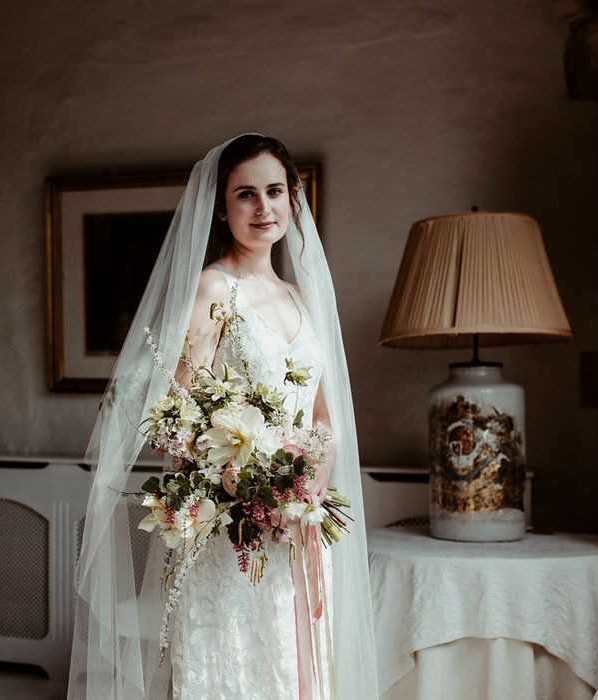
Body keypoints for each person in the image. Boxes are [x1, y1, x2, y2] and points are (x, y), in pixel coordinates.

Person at [68, 135, 379, 700]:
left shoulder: (299, 298)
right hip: (230, 533)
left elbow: (323, 416)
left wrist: (305, 490)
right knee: (237, 671)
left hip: (298, 531)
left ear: (293, 198)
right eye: (247, 194)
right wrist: (244, 483)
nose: (264, 208)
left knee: (295, 669)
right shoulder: (213, 287)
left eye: (275, 191)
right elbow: (175, 417)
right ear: (221, 207)